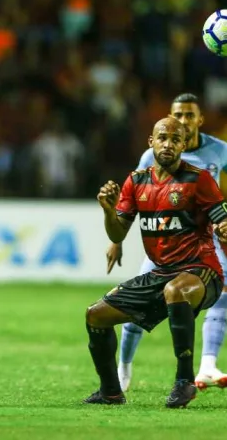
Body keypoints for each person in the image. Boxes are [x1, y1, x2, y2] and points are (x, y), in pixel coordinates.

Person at [85, 117, 227, 408]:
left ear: (183, 145)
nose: (168, 144)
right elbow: (117, 232)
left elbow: (221, 218)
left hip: (202, 270)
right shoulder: (136, 181)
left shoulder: (199, 179)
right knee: (95, 315)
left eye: (176, 139)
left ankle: (184, 382)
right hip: (161, 273)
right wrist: (109, 211)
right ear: (151, 142)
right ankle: (111, 392)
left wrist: (225, 226)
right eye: (162, 138)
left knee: (175, 290)